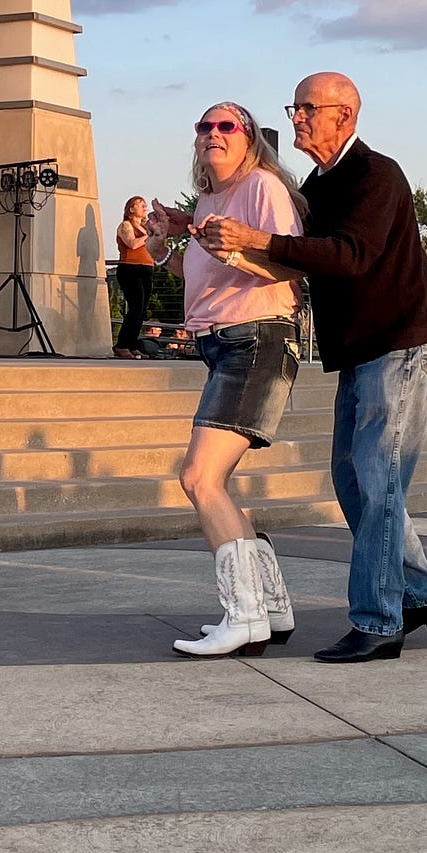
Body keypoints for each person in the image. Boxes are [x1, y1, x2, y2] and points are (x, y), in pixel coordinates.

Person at [231, 73, 427, 663]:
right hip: (363, 348)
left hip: (401, 344)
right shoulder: (320, 183)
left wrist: (261, 238)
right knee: (355, 480)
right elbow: (300, 256)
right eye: (295, 107)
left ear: (345, 116)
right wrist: (211, 237)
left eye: (308, 108)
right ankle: (424, 593)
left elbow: (350, 256)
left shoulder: (376, 174)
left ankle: (380, 621)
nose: (297, 117)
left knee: (377, 481)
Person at [147, 103, 304, 657]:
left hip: (257, 337)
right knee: (217, 482)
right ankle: (271, 610)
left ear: (250, 140)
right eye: (204, 126)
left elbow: (292, 265)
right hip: (221, 343)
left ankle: (243, 617)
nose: (213, 134)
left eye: (226, 127)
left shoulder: (262, 187)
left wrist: (234, 248)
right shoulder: (209, 202)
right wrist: (164, 244)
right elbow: (197, 271)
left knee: (198, 478)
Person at [113, 196, 156, 358]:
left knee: (142, 310)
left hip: (146, 268)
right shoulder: (126, 225)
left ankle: (132, 344)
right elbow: (132, 244)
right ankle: (122, 344)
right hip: (130, 268)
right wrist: (149, 235)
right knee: (135, 307)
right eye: (141, 204)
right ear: (131, 208)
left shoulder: (145, 226)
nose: (145, 207)